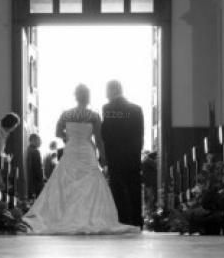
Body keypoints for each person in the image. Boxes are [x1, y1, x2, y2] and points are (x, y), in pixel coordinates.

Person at [23, 84, 139, 235]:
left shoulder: (66, 114)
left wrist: (68, 138)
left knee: (65, 183)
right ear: (88, 96)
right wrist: (103, 159)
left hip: (71, 149)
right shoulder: (93, 116)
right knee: (91, 181)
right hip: (86, 151)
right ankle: (88, 216)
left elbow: (57, 132)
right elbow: (98, 140)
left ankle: (64, 217)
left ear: (76, 96)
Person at [101, 80, 144, 228]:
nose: (106, 95)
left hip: (115, 157)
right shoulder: (136, 109)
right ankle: (137, 221)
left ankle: (122, 221)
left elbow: (106, 134)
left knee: (118, 189)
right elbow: (140, 136)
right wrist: (136, 155)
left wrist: (106, 157)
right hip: (133, 157)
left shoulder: (108, 108)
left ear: (112, 90)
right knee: (134, 188)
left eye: (107, 90)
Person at [26, 134, 44, 199]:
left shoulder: (28, 149)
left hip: (30, 183)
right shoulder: (35, 152)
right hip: (37, 184)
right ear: (34, 140)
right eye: (39, 140)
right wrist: (42, 181)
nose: (41, 142)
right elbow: (38, 170)